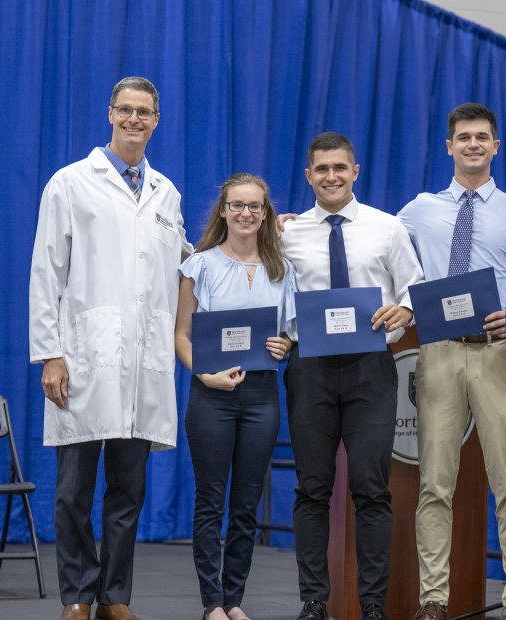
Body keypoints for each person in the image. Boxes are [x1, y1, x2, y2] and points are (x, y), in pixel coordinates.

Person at [29, 76, 191, 620]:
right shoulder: (72, 183)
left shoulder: (165, 193)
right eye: (125, 110)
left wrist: (255, 234)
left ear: (157, 119)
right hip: (84, 359)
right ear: (109, 114)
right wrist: (50, 353)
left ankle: (114, 597)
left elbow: (184, 260)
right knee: (74, 491)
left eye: (145, 112)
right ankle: (77, 595)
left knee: (128, 491)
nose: (134, 120)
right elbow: (45, 270)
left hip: (143, 365)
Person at [398, 103, 506, 620]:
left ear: (495, 146)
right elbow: (382, 253)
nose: (473, 144)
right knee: (436, 481)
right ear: (449, 146)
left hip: (498, 355)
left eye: (482, 137)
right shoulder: (417, 211)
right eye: (464, 137)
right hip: (436, 355)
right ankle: (433, 600)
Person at [280, 132, 424, 620]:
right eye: (321, 169)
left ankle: (373, 605)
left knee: (371, 488)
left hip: (369, 369)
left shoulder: (387, 228)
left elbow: (415, 288)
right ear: (308, 176)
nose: (331, 177)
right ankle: (313, 602)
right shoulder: (286, 233)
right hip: (310, 368)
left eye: (340, 167)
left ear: (355, 171)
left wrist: (404, 312)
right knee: (311, 488)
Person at [173, 173, 297, 620]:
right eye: (237, 205)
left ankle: (235, 601)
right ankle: (212, 604)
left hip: (262, 395)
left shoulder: (283, 269)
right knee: (211, 499)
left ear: (266, 214)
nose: (246, 213)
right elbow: (181, 336)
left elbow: (287, 336)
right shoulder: (198, 266)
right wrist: (205, 376)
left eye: (255, 207)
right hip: (211, 394)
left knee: (246, 504)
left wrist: (285, 345)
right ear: (223, 210)